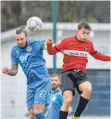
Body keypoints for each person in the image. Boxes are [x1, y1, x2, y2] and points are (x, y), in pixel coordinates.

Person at [46, 22, 111, 119]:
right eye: (83, 32)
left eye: (87, 33)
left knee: (88, 88)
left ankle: (76, 117)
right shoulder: (67, 42)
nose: (85, 35)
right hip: (68, 73)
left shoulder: (89, 44)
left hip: (81, 74)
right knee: (67, 100)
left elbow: (97, 55)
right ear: (77, 31)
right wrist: (49, 45)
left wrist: (109, 58)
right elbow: (51, 52)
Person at [2, 26, 52, 119]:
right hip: (31, 84)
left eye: (22, 39)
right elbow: (14, 71)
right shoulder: (15, 51)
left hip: (43, 81)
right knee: (32, 113)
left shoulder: (36, 44)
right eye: (17, 39)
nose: (20, 41)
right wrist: (8, 71)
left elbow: (51, 48)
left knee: (38, 112)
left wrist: (50, 44)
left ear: (27, 38)